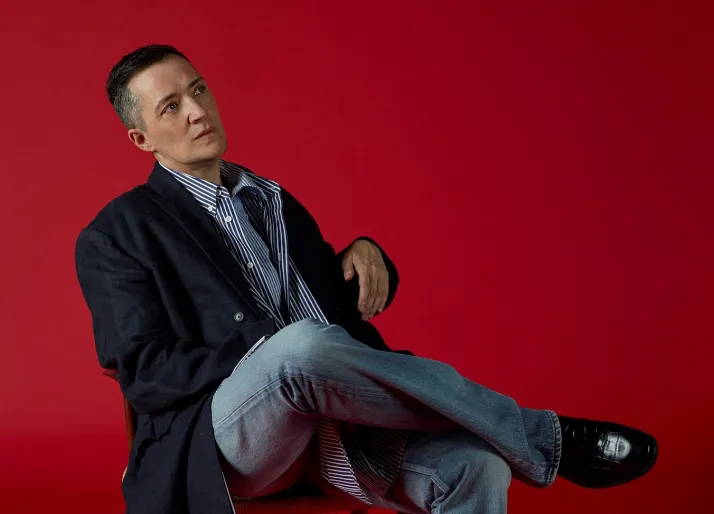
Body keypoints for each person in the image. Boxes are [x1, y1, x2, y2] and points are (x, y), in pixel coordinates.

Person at [74, 45, 658, 514]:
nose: (197, 111)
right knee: (296, 347)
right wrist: (265, 351)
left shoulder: (271, 201)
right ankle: (547, 437)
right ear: (141, 139)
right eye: (171, 106)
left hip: (338, 435)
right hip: (231, 444)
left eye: (198, 89)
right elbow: (146, 371)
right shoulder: (117, 233)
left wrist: (367, 252)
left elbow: (337, 310)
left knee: (477, 467)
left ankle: (511, 443)